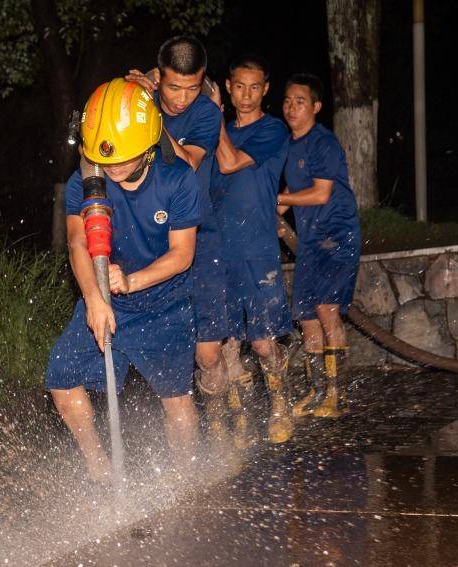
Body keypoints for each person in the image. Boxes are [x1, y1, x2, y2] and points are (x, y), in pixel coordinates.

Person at [45, 78, 202, 482]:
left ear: (149, 145)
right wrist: (95, 299)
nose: (112, 168)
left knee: (176, 402)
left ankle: (188, 481)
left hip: (163, 304)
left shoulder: (178, 179)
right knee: (61, 378)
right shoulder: (86, 182)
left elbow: (183, 256)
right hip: (103, 295)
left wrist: (131, 282)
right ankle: (100, 468)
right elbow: (78, 244)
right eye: (104, 159)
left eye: (123, 160)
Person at [124, 37, 230, 440]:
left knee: (208, 354)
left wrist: (153, 113)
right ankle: (185, 441)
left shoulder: (206, 113)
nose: (184, 97)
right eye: (173, 87)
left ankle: (219, 419)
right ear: (159, 74)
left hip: (201, 241)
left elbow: (187, 161)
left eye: (193, 86)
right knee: (168, 360)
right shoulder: (141, 99)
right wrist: (131, 90)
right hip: (150, 238)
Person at [207, 55, 295, 444]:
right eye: (239, 86)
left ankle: (280, 404)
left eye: (255, 87)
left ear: (266, 89)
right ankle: (237, 417)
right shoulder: (215, 133)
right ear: (228, 86)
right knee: (224, 344)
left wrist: (214, 118)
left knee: (262, 342)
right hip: (216, 251)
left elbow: (228, 164)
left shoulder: (273, 130)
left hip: (257, 250)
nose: (246, 94)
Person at [277, 73, 362, 418]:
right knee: (307, 318)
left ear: (315, 106)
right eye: (287, 101)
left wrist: (279, 198)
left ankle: (336, 396)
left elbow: (320, 192)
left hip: (337, 235)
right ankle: (316, 393)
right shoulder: (288, 145)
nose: (291, 107)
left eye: (300, 101)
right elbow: (287, 198)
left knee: (327, 311)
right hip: (311, 240)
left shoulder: (323, 143)